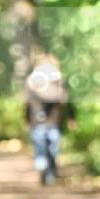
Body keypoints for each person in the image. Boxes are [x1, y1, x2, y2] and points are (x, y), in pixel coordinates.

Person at [24, 53, 75, 185]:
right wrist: (71, 118)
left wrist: (71, 117)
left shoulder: (52, 81)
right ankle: (47, 172)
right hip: (46, 122)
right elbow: (28, 103)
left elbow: (66, 101)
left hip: (46, 121)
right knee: (48, 148)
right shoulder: (38, 81)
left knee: (47, 148)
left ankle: (47, 170)